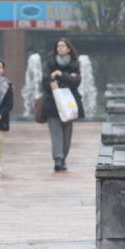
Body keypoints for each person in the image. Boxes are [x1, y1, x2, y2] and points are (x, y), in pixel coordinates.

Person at [41, 38, 85, 172]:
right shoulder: (50, 63)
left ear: (68, 49)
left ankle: (63, 158)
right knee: (56, 133)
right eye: (58, 46)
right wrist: (53, 77)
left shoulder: (74, 63)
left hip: (70, 103)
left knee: (67, 134)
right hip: (52, 103)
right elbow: (44, 82)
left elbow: (76, 81)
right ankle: (58, 159)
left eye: (63, 46)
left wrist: (62, 74)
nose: (60, 48)